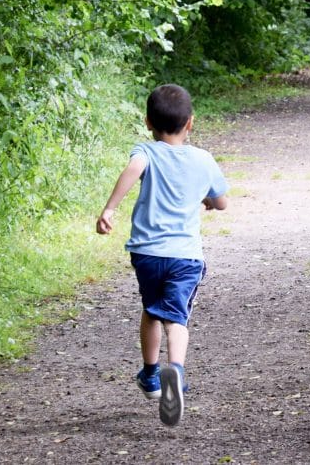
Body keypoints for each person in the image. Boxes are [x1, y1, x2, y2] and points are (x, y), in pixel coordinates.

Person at [96, 84, 228, 427]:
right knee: (176, 318)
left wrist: (110, 209)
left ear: (147, 122)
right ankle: (177, 372)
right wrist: (209, 201)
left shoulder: (147, 151)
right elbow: (222, 201)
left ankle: (151, 374)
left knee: (152, 308)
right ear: (191, 123)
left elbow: (133, 169)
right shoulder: (203, 159)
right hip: (185, 256)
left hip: (147, 253)